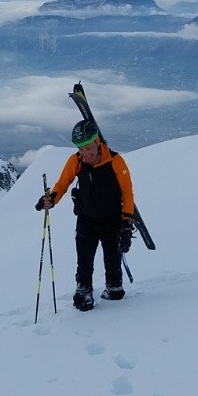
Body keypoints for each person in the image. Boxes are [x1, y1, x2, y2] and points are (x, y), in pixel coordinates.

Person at [36, 119, 136, 311]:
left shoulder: (115, 161)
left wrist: (127, 223)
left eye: (88, 147)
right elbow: (62, 184)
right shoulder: (76, 161)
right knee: (84, 260)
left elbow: (127, 192)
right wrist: (50, 200)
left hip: (112, 219)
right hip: (86, 219)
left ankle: (114, 287)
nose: (85, 153)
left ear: (98, 142)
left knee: (112, 258)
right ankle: (84, 292)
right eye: (81, 149)